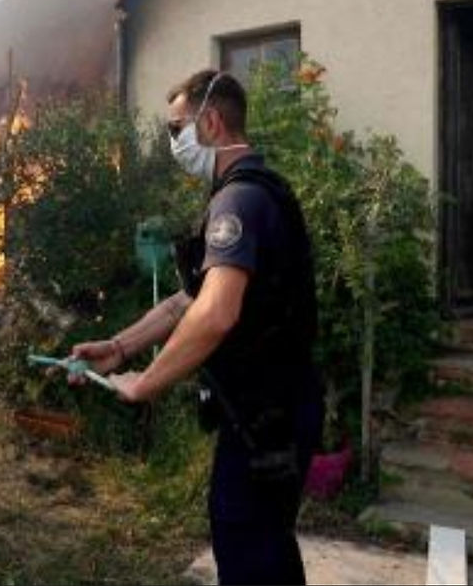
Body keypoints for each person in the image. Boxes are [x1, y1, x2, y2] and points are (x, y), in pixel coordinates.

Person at [69, 69, 324, 585]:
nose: (174, 142)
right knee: (269, 547)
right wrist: (121, 348)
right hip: (272, 410)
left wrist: (144, 383)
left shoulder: (238, 201)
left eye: (175, 128)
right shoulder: (249, 191)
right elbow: (189, 301)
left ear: (210, 121)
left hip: (264, 418)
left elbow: (215, 313)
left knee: (248, 549)